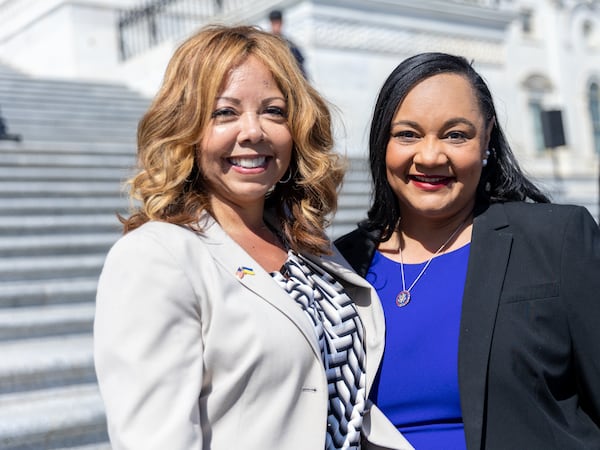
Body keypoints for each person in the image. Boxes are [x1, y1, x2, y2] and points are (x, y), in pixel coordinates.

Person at [93, 25, 413, 450]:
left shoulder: (305, 243)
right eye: (225, 112)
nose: (253, 131)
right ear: (185, 126)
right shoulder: (154, 258)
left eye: (274, 111)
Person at [335, 52, 600, 450]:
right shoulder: (342, 263)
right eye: (407, 134)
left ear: (487, 138)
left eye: (455, 135)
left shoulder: (556, 239)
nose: (430, 156)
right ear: (382, 143)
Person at [268, 9, 307, 78]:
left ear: (282, 23)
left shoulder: (290, 44)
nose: (277, 26)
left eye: (278, 23)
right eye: (274, 23)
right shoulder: (267, 42)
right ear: (271, 23)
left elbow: (300, 65)